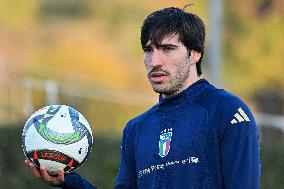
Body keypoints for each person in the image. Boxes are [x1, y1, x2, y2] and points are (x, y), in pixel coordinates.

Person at [25, 7, 261, 189]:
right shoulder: (136, 129)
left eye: (167, 48)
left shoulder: (228, 111)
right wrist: (68, 182)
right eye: (148, 50)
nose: (155, 61)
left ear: (195, 54)